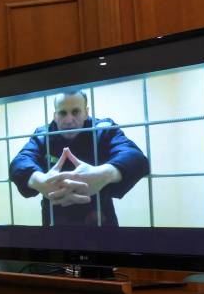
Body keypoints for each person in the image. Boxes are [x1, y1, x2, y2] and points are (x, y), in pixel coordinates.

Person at [9, 89, 150, 227]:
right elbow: (19, 162)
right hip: (54, 227)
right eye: (62, 113)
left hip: (101, 224)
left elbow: (136, 157)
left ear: (86, 113)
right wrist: (39, 181)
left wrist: (104, 173)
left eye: (75, 112)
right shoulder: (43, 135)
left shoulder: (103, 129)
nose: (69, 120)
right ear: (55, 115)